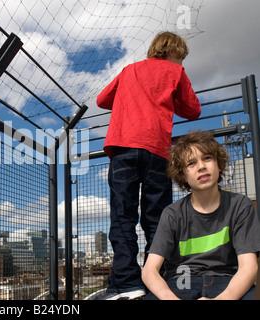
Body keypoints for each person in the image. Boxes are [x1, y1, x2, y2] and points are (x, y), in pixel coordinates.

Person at [95, 31, 201, 300]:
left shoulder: (130, 70)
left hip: (123, 148)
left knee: (122, 217)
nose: (181, 62)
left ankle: (124, 283)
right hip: (157, 151)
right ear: (174, 52)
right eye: (181, 57)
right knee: (156, 219)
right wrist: (170, 95)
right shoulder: (175, 72)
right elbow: (193, 109)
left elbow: (101, 100)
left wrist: (129, 97)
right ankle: (158, 278)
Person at [142, 130, 260, 300]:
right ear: (183, 175)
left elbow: (248, 267)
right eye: (191, 163)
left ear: (219, 164)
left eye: (207, 158)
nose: (201, 167)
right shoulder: (173, 213)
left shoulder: (240, 205)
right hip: (181, 282)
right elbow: (149, 271)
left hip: (228, 282)